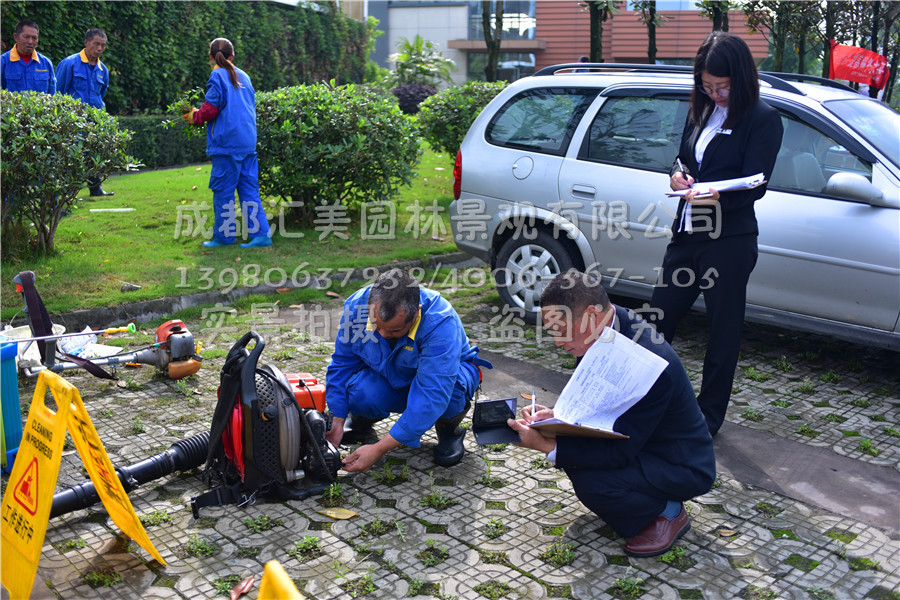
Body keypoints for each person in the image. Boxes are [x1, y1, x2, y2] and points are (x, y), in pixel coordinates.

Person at [508, 269, 715, 558]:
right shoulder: (608, 327)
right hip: (641, 439)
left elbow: (619, 452)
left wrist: (545, 444)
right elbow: (599, 403)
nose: (557, 341)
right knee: (575, 456)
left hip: (679, 463)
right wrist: (557, 417)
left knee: (592, 481)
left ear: (591, 315)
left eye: (561, 330)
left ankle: (666, 512)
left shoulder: (646, 361)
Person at [651, 31, 784, 437]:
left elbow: (756, 183)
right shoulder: (701, 109)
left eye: (722, 87)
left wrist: (716, 194)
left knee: (722, 333)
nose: (715, 94)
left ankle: (706, 419)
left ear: (741, 79)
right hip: (686, 234)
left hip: (729, 241)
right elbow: (682, 157)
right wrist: (677, 176)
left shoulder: (762, 118)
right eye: (707, 86)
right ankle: (646, 402)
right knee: (657, 322)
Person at [325, 268, 491, 472]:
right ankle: (361, 424)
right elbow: (342, 365)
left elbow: (433, 394)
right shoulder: (356, 307)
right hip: (393, 373)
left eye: (395, 330)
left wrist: (379, 449)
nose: (383, 334)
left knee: (452, 391)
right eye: (376, 326)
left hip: (440, 382)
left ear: (417, 312)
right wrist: (336, 419)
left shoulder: (440, 321)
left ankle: (449, 430)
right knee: (359, 392)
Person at [182, 38, 272, 248]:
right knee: (249, 191)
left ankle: (224, 237)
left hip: (227, 144)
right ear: (232, 56)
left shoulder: (217, 75)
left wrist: (194, 116)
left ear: (211, 56)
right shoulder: (245, 76)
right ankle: (261, 235)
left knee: (223, 192)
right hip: (247, 142)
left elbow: (211, 109)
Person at [56, 28, 114, 197]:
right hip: (73, 119)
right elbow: (58, 91)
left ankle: (95, 189)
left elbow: (101, 93)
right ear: (86, 42)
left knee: (94, 154)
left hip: (95, 119)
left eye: (103, 45)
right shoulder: (69, 63)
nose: (99, 48)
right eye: (96, 44)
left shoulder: (103, 69)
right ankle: (66, 193)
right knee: (71, 155)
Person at [1, 20, 56, 94]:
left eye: (34, 38)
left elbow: (52, 95)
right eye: (26, 37)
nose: (30, 41)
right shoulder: (3, 62)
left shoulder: (46, 63)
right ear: (16, 37)